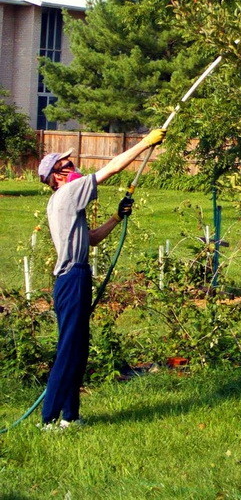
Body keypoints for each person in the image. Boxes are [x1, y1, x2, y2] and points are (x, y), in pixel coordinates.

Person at [37, 128, 165, 430]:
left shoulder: (67, 202)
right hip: (72, 278)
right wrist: (145, 143)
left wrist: (116, 218)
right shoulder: (67, 192)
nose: (74, 166)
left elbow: (91, 238)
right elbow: (112, 167)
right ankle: (49, 418)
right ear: (56, 177)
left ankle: (70, 416)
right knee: (69, 348)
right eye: (66, 165)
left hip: (75, 276)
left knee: (78, 348)